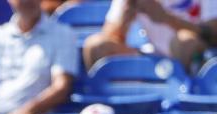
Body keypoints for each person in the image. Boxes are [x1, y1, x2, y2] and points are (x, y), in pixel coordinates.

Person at [83, 0, 217, 72]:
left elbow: (213, 33)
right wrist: (124, 19)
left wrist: (166, 18)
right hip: (149, 56)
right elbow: (109, 36)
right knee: (96, 47)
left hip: (195, 56)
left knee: (184, 42)